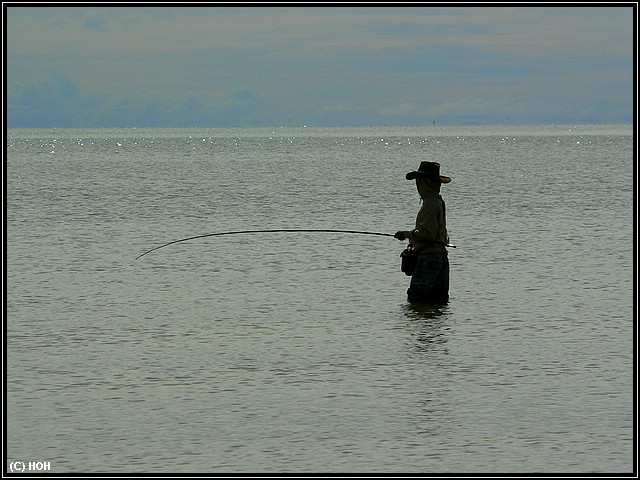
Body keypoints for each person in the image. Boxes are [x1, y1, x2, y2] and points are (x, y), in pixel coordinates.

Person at [395, 161, 451, 303]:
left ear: (424, 182)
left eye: (419, 181)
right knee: (439, 302)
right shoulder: (438, 201)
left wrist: (406, 234)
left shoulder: (430, 204)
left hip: (429, 258)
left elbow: (428, 235)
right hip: (441, 257)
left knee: (416, 299)